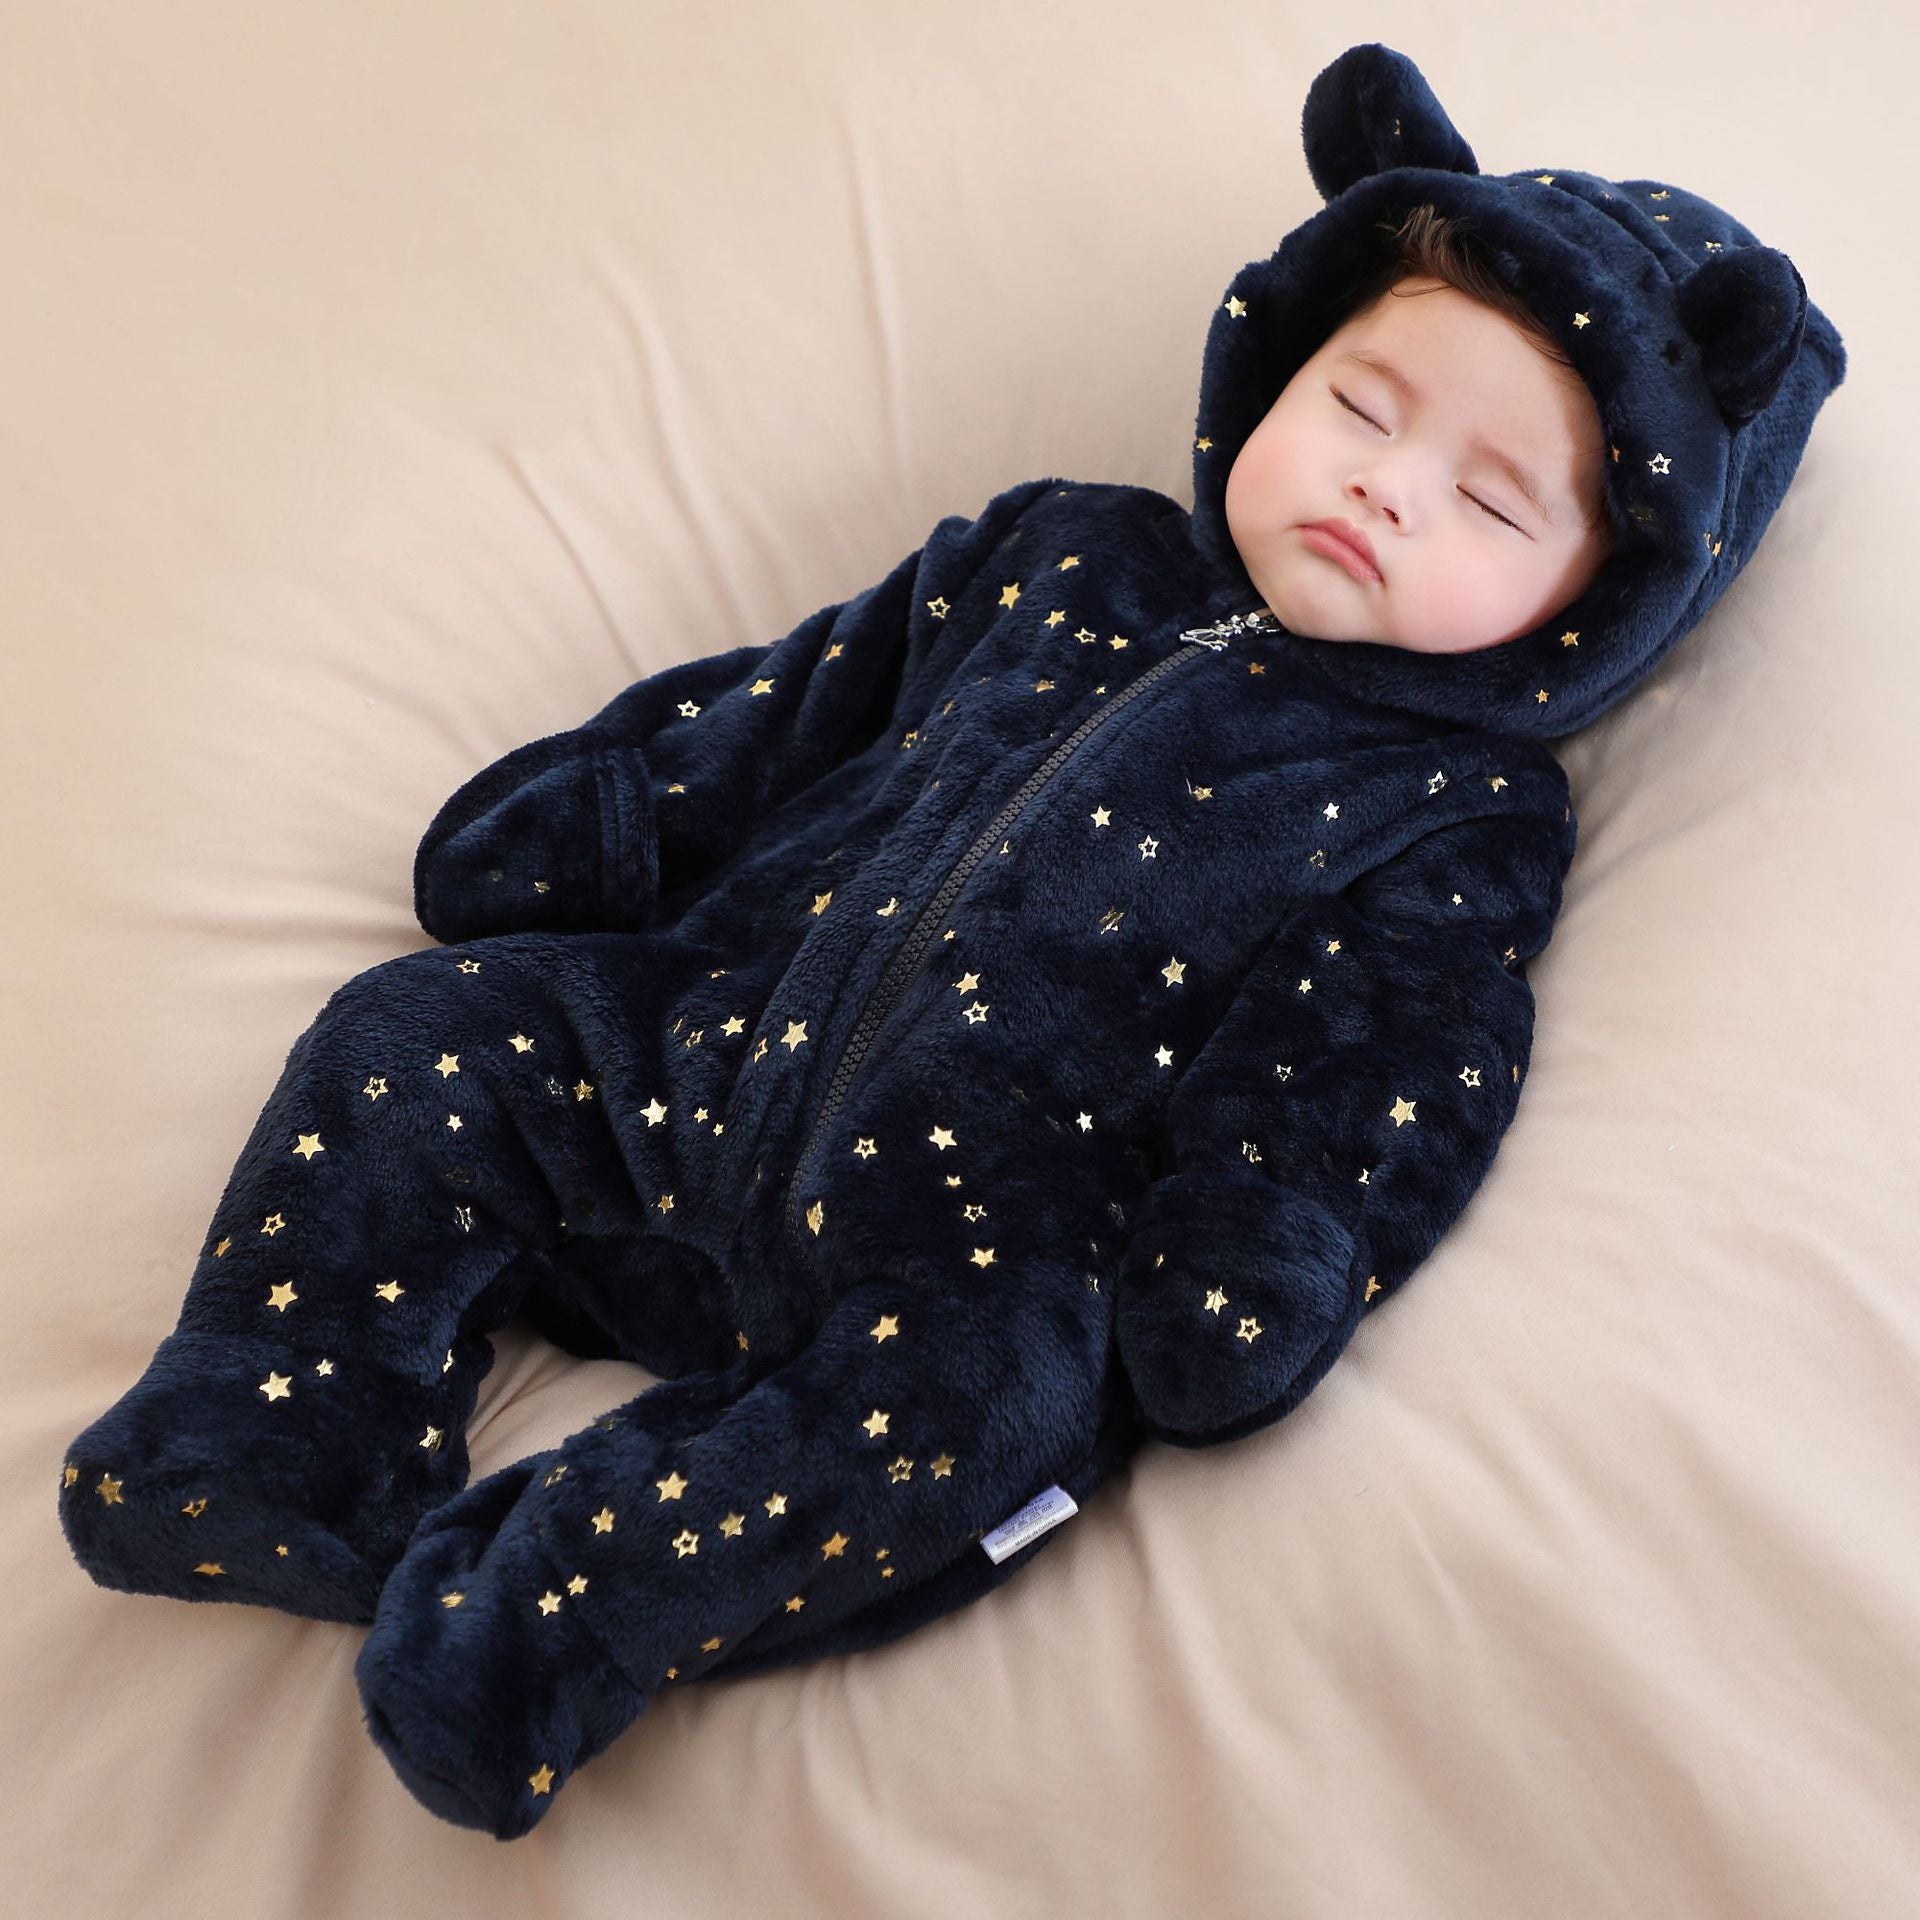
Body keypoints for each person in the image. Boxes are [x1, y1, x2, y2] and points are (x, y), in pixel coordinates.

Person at [57, 42, 1845, 1839]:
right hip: (692, 1044)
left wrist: (1263, 1242)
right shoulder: (1063, 548)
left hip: (972, 1238)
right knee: (418, 1035)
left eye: (1493, 501)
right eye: (1362, 410)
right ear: (1275, 365)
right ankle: (265, 1437)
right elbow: (805, 698)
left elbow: (1384, 1052)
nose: (1389, 487)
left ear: (1598, 599)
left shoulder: (1459, 807)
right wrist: (622, 804)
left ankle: (549, 1620)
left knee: (996, 1408)